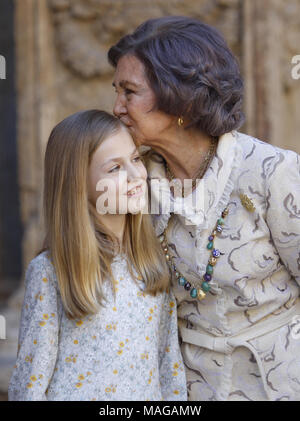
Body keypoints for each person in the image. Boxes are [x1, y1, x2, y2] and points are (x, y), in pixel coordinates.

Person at [108, 16, 300, 401]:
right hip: (185, 390)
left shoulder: (271, 171)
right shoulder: (132, 183)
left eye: (130, 92)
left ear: (178, 97)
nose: (117, 107)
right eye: (117, 91)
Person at [7, 110, 187, 401]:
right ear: (78, 183)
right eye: (114, 168)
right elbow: (30, 385)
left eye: (136, 159)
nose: (135, 175)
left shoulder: (151, 260)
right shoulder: (51, 272)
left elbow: (169, 367)